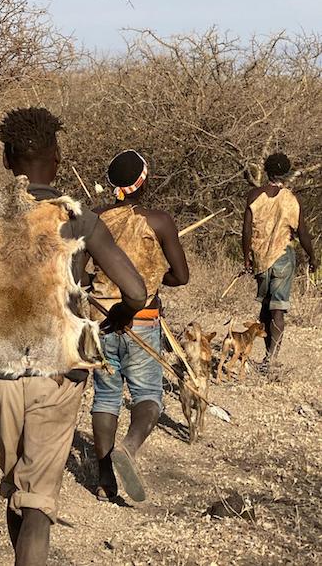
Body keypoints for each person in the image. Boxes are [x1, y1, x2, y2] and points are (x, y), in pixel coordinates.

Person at [0, 108, 147, 566]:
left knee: (16, 485)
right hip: (59, 374)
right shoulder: (78, 218)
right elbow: (136, 290)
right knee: (36, 500)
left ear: (6, 159)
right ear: (56, 160)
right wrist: (119, 313)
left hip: (0, 375)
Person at [88, 149, 189, 503]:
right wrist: (157, 275)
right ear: (143, 181)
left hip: (100, 320)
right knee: (148, 394)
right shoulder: (159, 221)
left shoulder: (94, 218)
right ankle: (129, 448)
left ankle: (104, 480)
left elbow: (79, 270)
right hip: (142, 320)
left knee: (105, 395)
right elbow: (181, 276)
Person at [242, 152, 317, 370]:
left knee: (266, 307)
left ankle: (265, 357)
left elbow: (246, 231)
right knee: (278, 308)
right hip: (283, 256)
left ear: (266, 171)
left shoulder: (254, 195)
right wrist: (312, 256)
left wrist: (246, 258)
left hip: (260, 258)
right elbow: (302, 231)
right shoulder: (291, 200)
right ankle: (271, 358)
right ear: (285, 172)